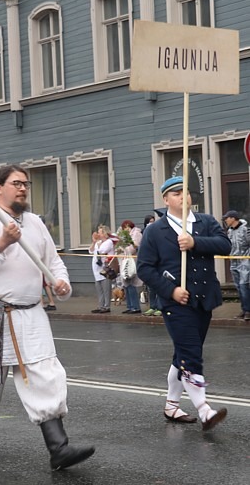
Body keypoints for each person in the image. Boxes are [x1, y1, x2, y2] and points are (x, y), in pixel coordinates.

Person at [0, 165, 94, 470]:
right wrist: (2, 242)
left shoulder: (34, 223)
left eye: (26, 184)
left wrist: (62, 284)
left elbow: (53, 262)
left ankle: (59, 449)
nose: (22, 189)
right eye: (16, 183)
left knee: (45, 376)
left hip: (30, 315)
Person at [137, 176, 230, 431]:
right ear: (166, 199)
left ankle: (171, 405)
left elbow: (225, 245)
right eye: (176, 193)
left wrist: (195, 242)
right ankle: (205, 410)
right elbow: (144, 268)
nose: (182, 196)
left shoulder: (205, 222)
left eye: (185, 192)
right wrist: (171, 291)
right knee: (191, 354)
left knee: (182, 354)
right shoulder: (156, 231)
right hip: (176, 303)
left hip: (204, 299)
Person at [222, 210, 250, 320]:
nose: (225, 220)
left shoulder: (245, 229)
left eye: (227, 218)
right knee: (238, 287)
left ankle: (248, 310)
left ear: (233, 218)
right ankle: (244, 309)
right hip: (233, 261)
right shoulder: (229, 231)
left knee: (244, 285)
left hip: (245, 262)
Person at [118, 220, 142, 314]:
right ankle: (130, 306)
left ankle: (135, 307)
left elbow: (132, 249)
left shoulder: (136, 234)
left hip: (132, 262)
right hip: (125, 261)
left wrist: (125, 246)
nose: (126, 229)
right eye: (124, 228)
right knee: (126, 284)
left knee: (131, 283)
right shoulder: (124, 236)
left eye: (127, 227)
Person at [89, 225, 114, 313]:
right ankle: (100, 305)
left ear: (104, 233)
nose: (98, 234)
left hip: (105, 268)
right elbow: (91, 250)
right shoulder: (98, 242)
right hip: (96, 269)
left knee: (106, 288)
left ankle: (106, 306)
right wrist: (93, 242)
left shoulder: (108, 242)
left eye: (100, 232)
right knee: (99, 288)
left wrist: (98, 243)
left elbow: (101, 251)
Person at [141, 214, 161, 316]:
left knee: (159, 287)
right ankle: (152, 306)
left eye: (153, 221)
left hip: (158, 263)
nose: (151, 223)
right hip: (150, 263)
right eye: (150, 222)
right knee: (150, 288)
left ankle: (160, 307)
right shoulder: (144, 232)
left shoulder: (159, 232)